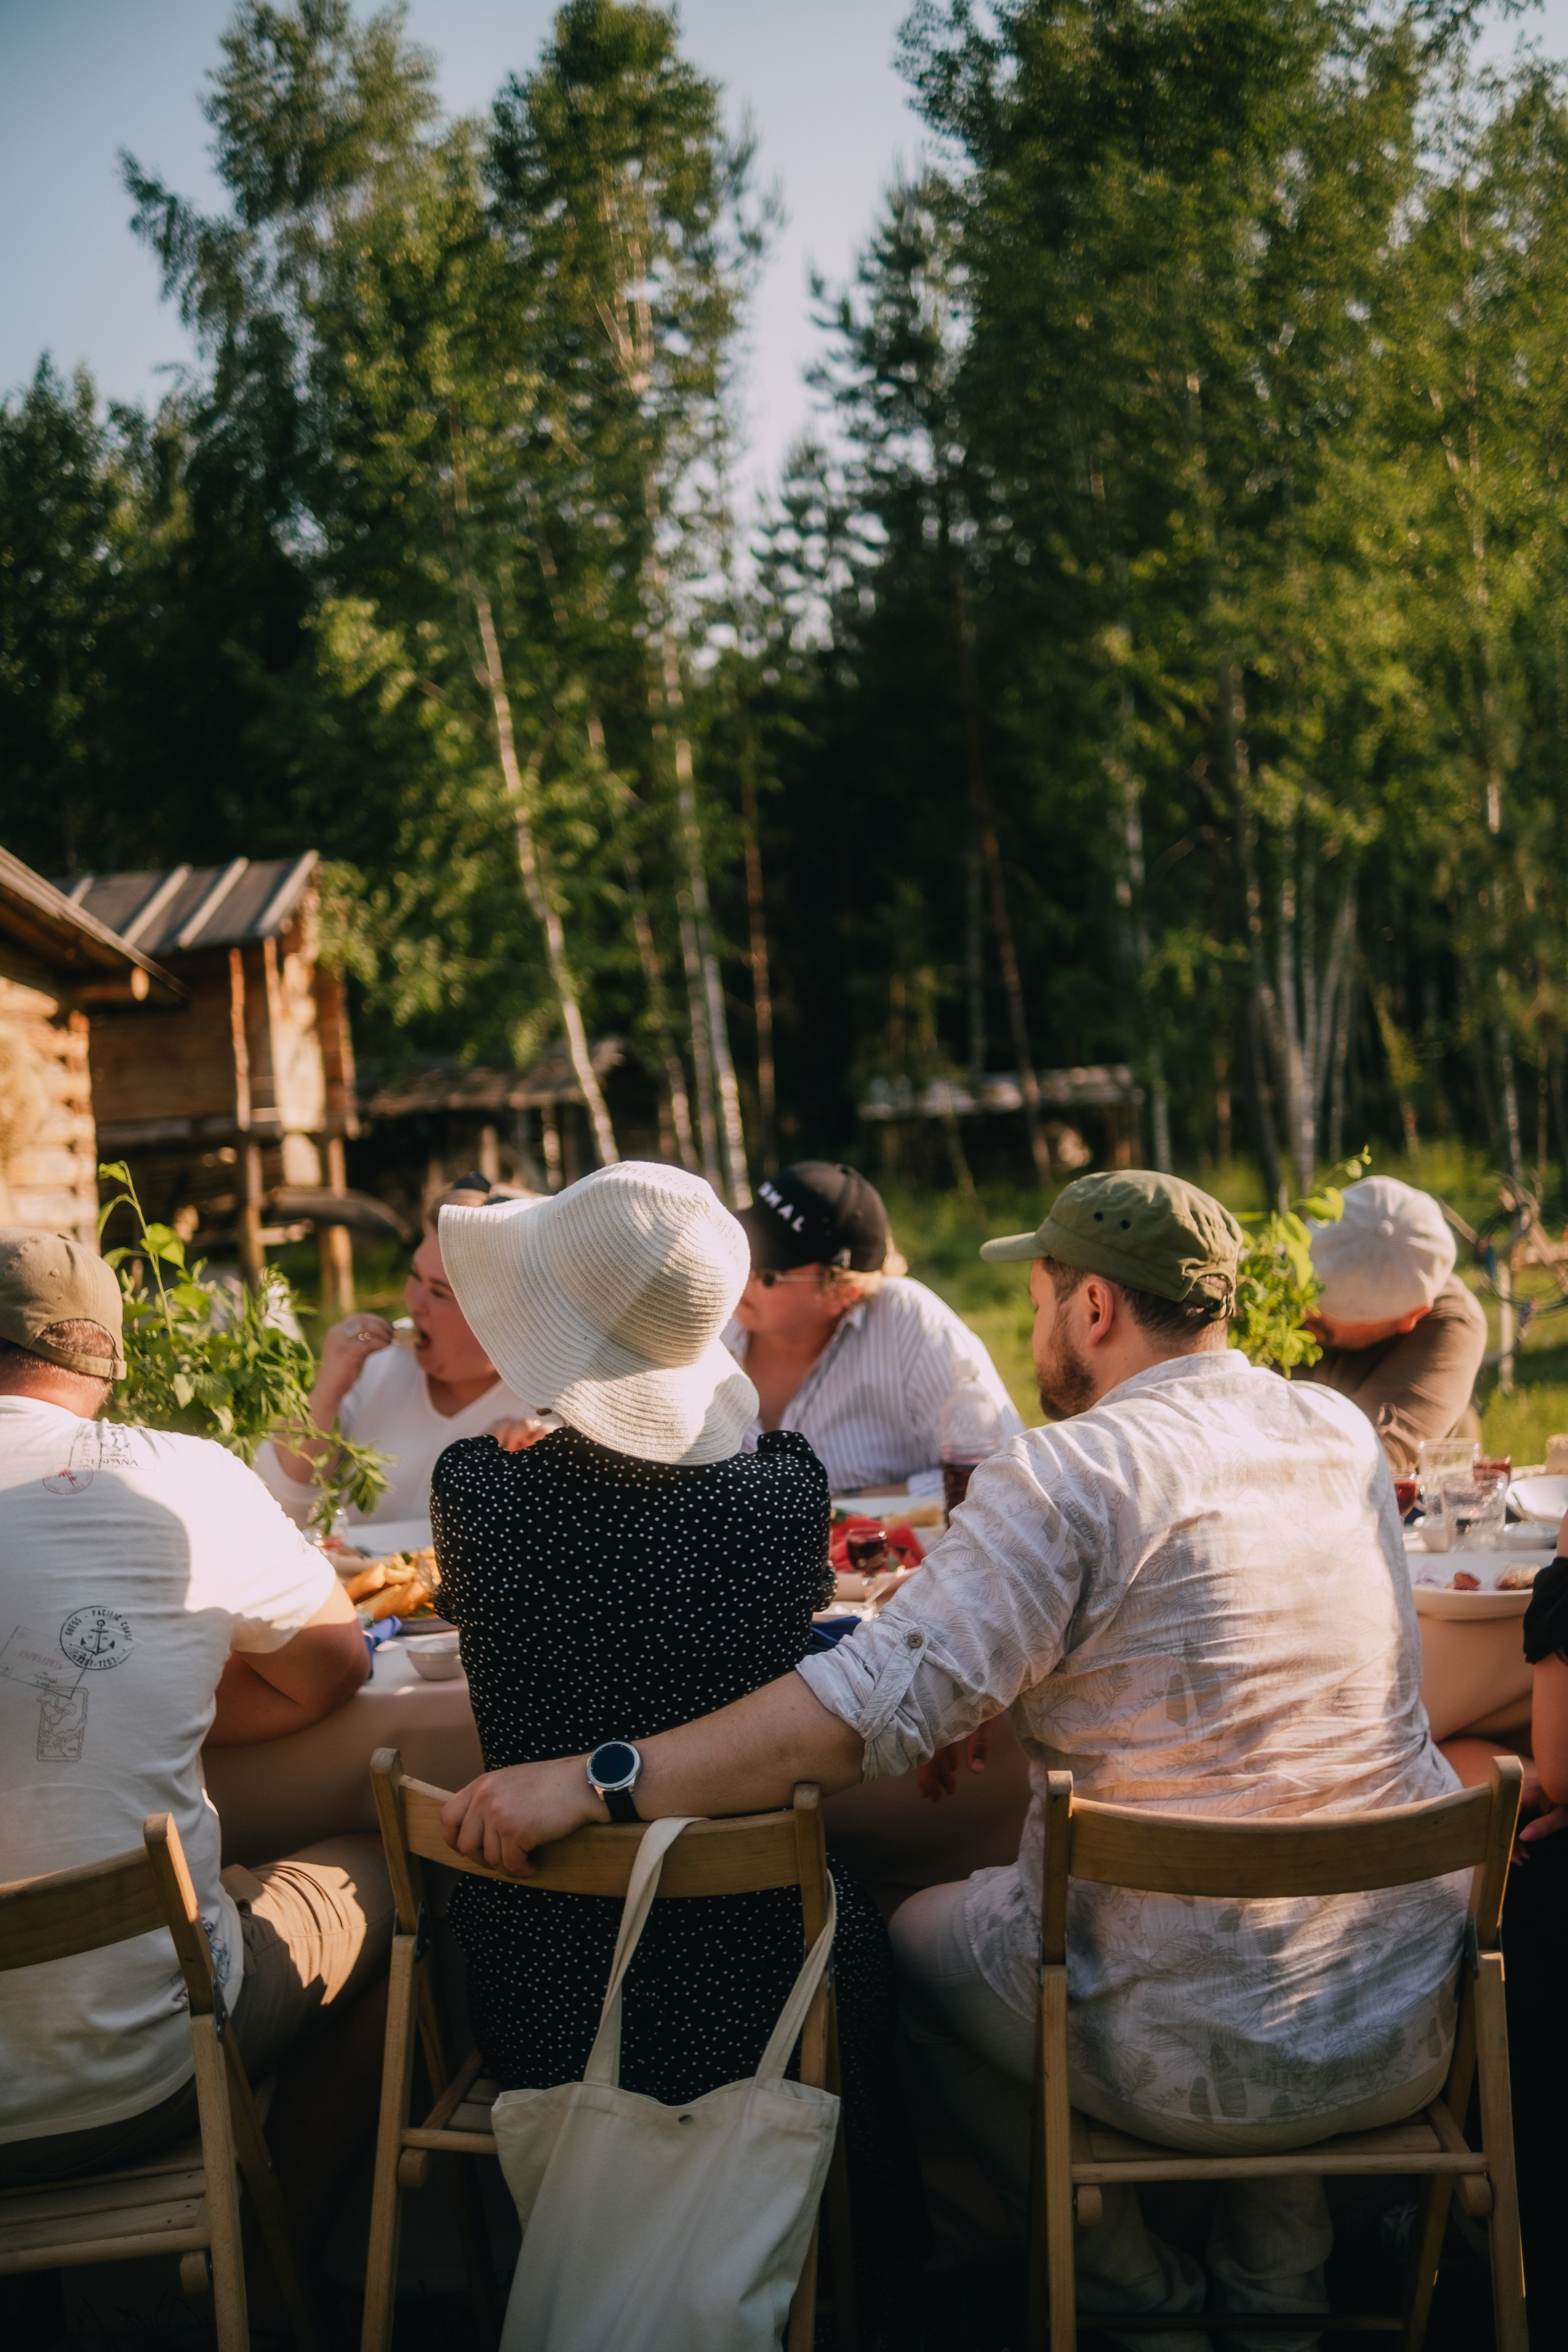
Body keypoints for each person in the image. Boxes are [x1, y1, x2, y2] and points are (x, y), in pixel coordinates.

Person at [442, 1170, 1469, 2348]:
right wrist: (1000, 1674)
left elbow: (850, 1713)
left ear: (1090, 1308)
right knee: (1268, 1848)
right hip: (1390, 2011)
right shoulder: (1334, 1429)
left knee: (915, 1944)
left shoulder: (1072, 1470)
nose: (1029, 1331)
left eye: (1036, 1298)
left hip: (1178, 2052)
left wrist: (591, 1778)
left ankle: (1133, 2289)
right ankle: (1280, 2288)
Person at [431, 1161, 922, 2322]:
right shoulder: (783, 1494)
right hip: (770, 1974)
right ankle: (868, 2288)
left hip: (551, 1978)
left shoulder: (475, 1493)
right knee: (874, 1932)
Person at [0, 1230, 393, 2298]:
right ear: (109, 1363)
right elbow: (330, 1670)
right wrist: (155, 1679)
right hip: (145, 2078)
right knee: (380, 1878)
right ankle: (271, 2263)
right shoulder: (181, 1476)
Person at [261, 1172, 548, 1528]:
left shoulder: (548, 1416)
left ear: (509, 1316)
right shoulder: (378, 1365)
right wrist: (327, 1391)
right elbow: (274, 1505)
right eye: (414, 1277)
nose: (413, 1302)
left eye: (440, 1293)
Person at [726, 1159, 1022, 1494]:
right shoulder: (708, 1319)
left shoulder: (907, 1323)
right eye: (745, 1250)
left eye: (768, 1274)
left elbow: (1005, 1475)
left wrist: (846, 1508)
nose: (741, 1273)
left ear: (842, 1292)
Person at [1301, 1175, 1486, 1474]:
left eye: (1322, 1318)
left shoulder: (1452, 1323)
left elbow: (1363, 1463)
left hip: (1411, 1507)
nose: (1301, 1312)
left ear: (1411, 1317)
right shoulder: (1266, 1284)